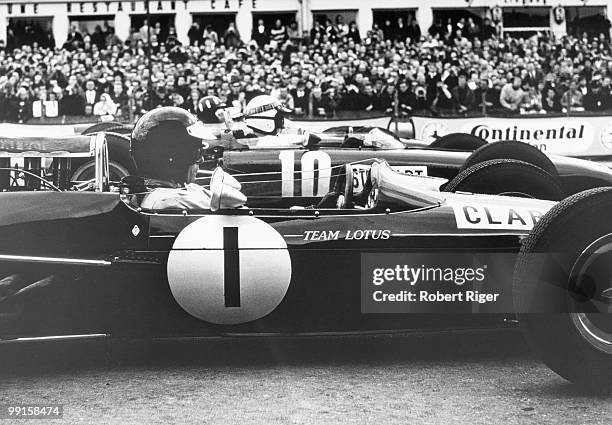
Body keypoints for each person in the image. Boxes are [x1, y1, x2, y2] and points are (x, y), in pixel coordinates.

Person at [129, 107, 213, 210]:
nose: (201, 160)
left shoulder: (154, 192)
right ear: (174, 159)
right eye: (197, 154)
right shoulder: (174, 201)